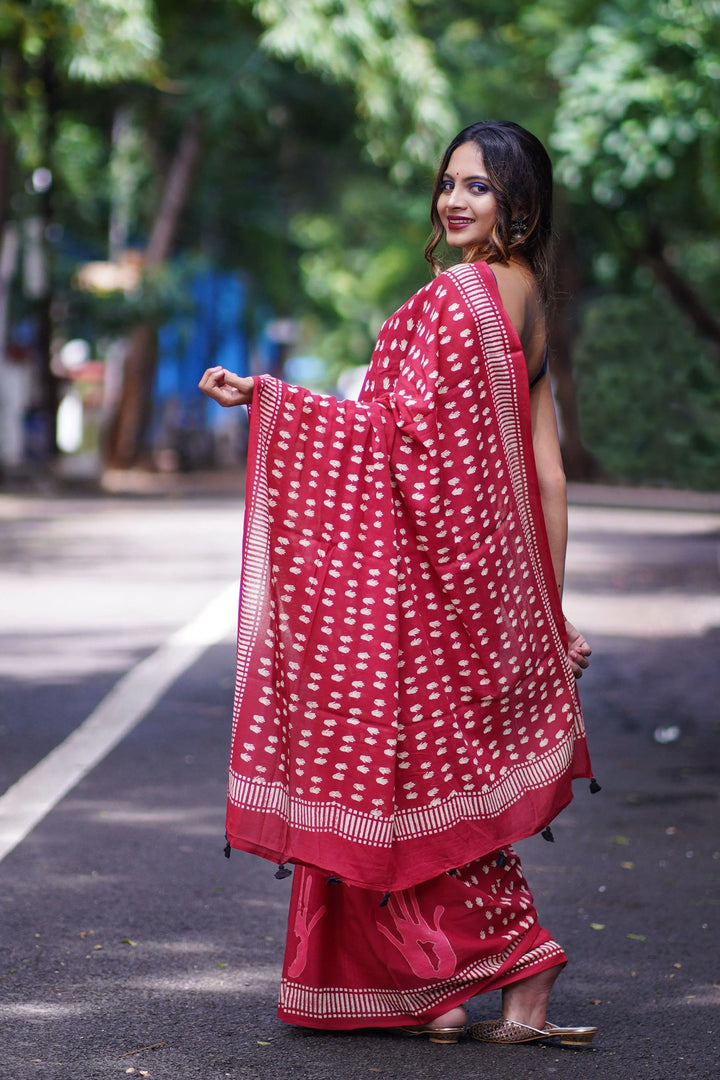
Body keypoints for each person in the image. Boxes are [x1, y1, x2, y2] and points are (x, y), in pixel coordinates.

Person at [199, 120, 598, 1047]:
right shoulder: (532, 296)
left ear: (520, 205)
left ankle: (522, 971)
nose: (454, 201)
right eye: (449, 183)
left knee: (397, 774)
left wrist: (270, 399)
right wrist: (547, 604)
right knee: (427, 782)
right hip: (478, 581)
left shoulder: (461, 294)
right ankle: (441, 987)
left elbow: (393, 439)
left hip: (424, 584)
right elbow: (547, 472)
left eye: (480, 188)